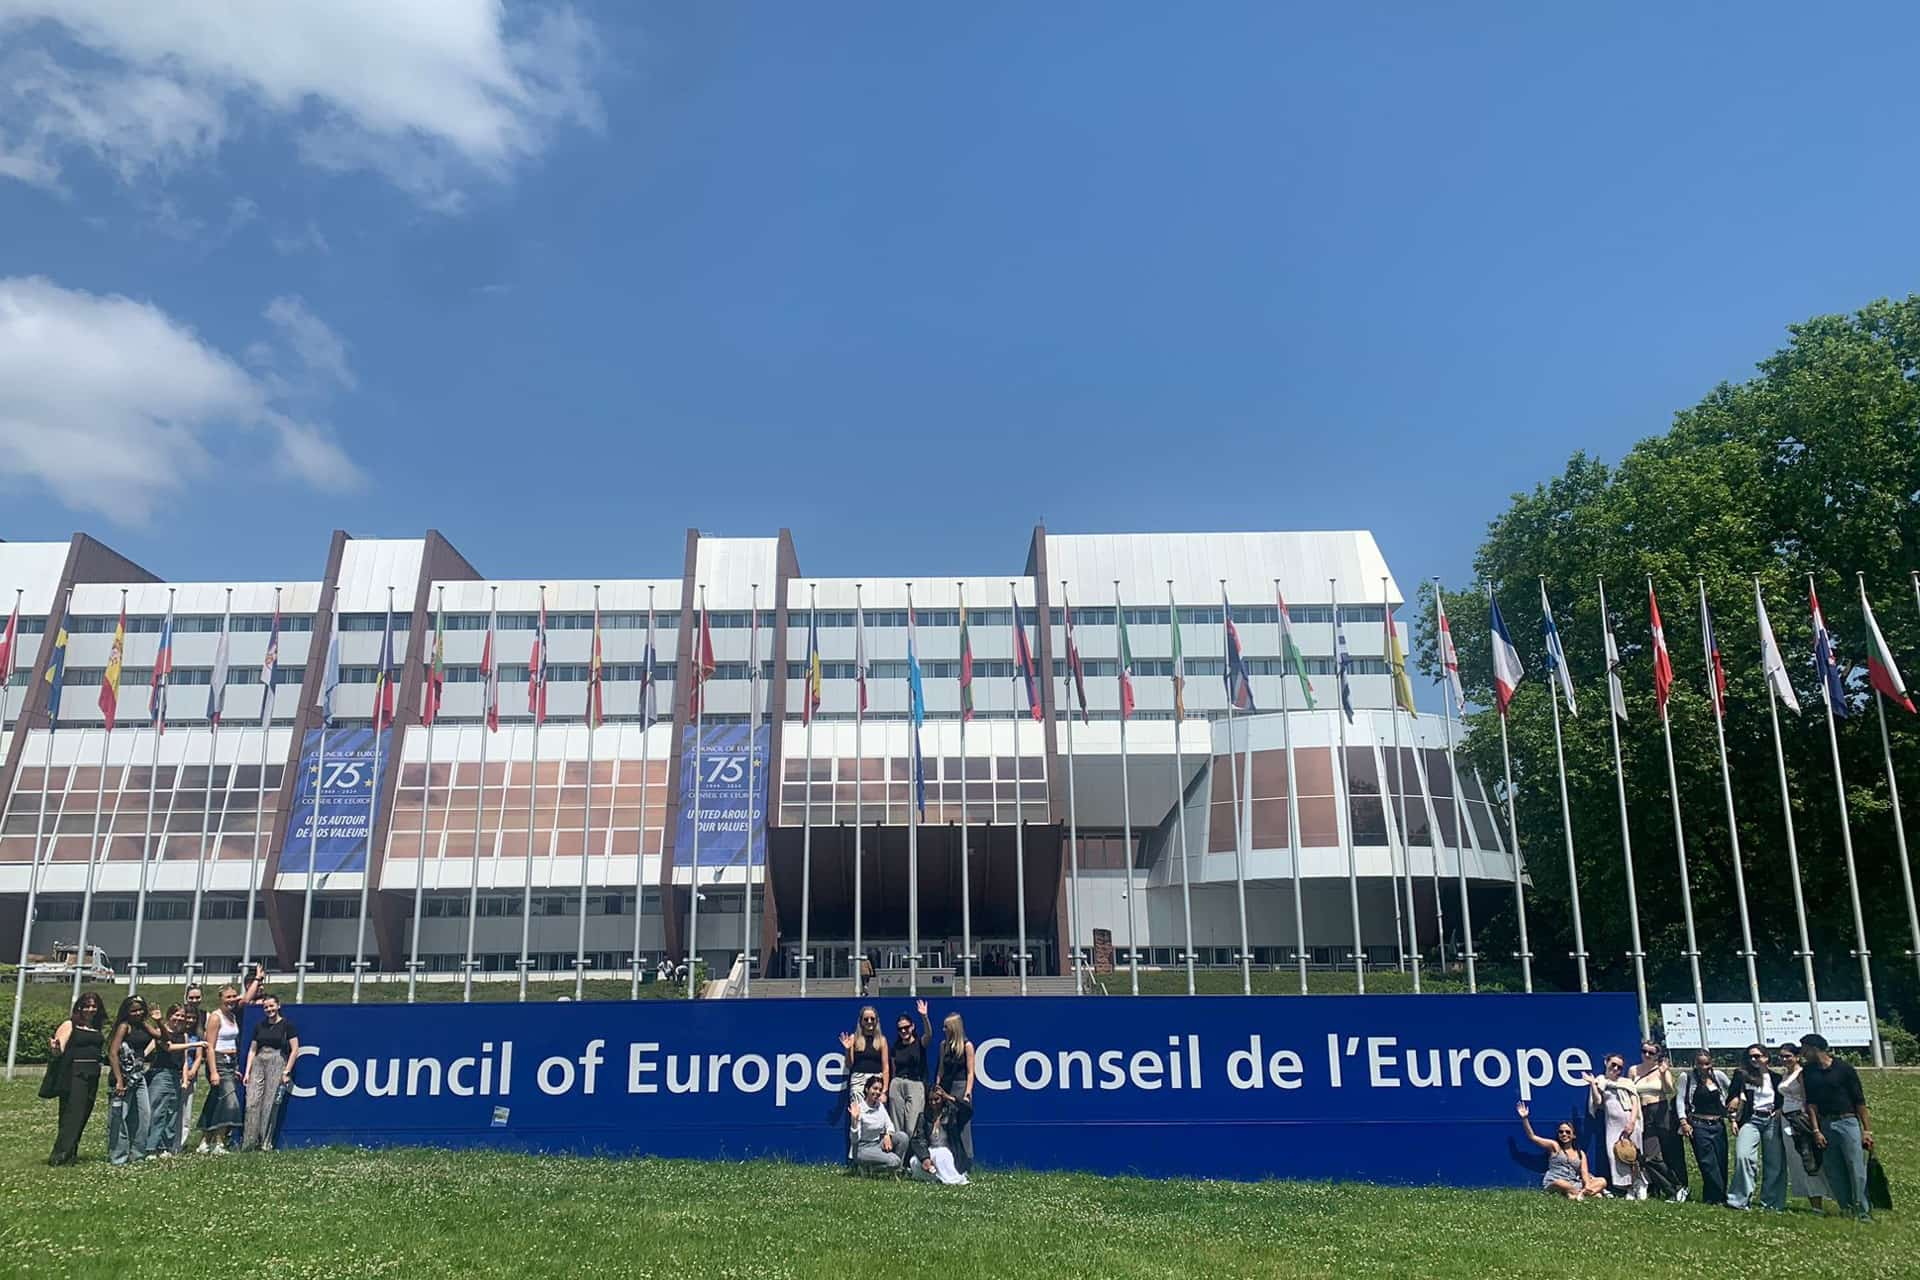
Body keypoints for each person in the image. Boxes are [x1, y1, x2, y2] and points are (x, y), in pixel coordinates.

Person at [1800, 1032, 1873, 1221]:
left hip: (1847, 1121)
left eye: (1804, 1049)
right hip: (1825, 1123)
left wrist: (1866, 1130)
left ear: (1814, 1048)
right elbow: (1811, 1103)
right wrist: (1816, 1130)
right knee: (1833, 1169)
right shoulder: (1809, 1071)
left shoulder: (1844, 1069)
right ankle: (1846, 1207)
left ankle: (1863, 1210)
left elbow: (1859, 1101)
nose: (1802, 1053)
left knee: (1855, 1166)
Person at [46, 992, 107, 1166]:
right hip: (75, 1075)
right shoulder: (70, 1024)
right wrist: (55, 1048)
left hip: (92, 1074)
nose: (90, 1009)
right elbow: (59, 1050)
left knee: (84, 1115)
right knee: (72, 1115)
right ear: (79, 1008)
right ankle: (59, 1156)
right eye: (86, 1006)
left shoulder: (96, 1028)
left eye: (94, 1006)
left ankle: (72, 1153)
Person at [1727, 1043, 1787, 1212]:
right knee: (1743, 1157)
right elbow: (1731, 1099)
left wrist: (1779, 1111)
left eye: (1757, 1056)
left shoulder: (1776, 1078)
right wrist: (1733, 1120)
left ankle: (1772, 1203)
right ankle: (1739, 1200)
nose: (1753, 1059)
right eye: (1750, 1056)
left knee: (1774, 1162)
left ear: (1766, 1058)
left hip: (1771, 1120)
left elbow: (1783, 1100)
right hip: (1750, 1120)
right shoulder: (1742, 1075)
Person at [1677, 1051, 1738, 1206]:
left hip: (1717, 1124)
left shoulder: (1718, 1076)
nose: (1703, 1067)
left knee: (1721, 1161)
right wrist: (1683, 1121)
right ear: (1695, 1064)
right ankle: (1719, 1198)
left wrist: (1734, 1109)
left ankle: (1713, 1196)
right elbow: (1680, 1099)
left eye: (1706, 1063)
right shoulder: (1688, 1077)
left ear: (1711, 1063)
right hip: (1698, 1125)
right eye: (1700, 1063)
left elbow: (1733, 1091)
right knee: (1707, 1162)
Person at [241, 994, 299, 1152]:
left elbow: (295, 1050)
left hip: (277, 1060)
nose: (269, 1009)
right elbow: (252, 1050)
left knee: (269, 1104)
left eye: (271, 1006)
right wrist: (247, 1072)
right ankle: (249, 1142)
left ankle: (265, 1143)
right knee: (252, 1102)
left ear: (278, 1006)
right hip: (259, 1060)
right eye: (266, 1007)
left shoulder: (287, 1025)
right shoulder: (260, 1026)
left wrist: (287, 1071)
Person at [105, 994, 159, 1166]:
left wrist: (158, 1021)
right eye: (133, 1010)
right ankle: (118, 1157)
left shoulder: (143, 1025)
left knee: (145, 1114)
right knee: (119, 1117)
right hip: (123, 1077)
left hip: (138, 1075)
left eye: (139, 1010)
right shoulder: (124, 1027)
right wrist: (119, 1080)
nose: (136, 1013)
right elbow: (112, 1053)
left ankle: (137, 1154)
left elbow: (160, 1036)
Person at [1776, 1041, 1829, 1212]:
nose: (1785, 1059)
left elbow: (1807, 1098)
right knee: (1798, 1162)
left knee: (1808, 1158)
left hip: (1799, 1119)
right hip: (1786, 1118)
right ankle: (1813, 1202)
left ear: (1797, 1056)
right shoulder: (1785, 1074)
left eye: (1788, 1056)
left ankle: (1819, 1203)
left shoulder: (1801, 1074)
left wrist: (1807, 1119)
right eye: (1782, 1056)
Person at [1629, 1040, 1686, 1201]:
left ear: (1657, 1055)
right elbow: (1630, 1093)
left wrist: (1663, 1072)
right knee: (1650, 1156)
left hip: (1661, 1110)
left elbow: (1669, 1090)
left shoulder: (1662, 1070)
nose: (1646, 1055)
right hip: (1643, 1112)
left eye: (1651, 1053)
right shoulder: (1634, 1070)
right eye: (1644, 1051)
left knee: (1669, 1153)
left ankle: (1677, 1188)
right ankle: (1674, 1188)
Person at [195, 984, 246, 1154]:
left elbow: (233, 1042)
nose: (231, 1000)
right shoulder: (216, 1017)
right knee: (230, 1103)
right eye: (228, 997)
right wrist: (214, 1071)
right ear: (221, 998)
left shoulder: (232, 1016)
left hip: (231, 1062)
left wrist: (236, 1066)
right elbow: (209, 1046)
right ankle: (219, 1141)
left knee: (216, 1101)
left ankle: (204, 1140)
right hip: (218, 1061)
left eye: (234, 996)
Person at [1517, 1101, 1606, 1199]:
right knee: (1562, 1183)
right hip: (1555, 1182)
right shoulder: (1554, 1147)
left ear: (1573, 1135)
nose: (1564, 1134)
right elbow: (1532, 1137)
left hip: (1574, 1183)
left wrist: (1588, 1185)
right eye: (1561, 1132)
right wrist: (1525, 1118)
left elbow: (1584, 1173)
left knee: (1602, 1181)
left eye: (1568, 1132)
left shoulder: (1580, 1153)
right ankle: (1586, 1194)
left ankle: (1576, 1194)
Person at [1588, 1053, 1646, 1199]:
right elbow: (1597, 1102)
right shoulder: (1600, 1082)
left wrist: (1632, 1122)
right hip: (1613, 1125)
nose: (1615, 1068)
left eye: (1619, 1067)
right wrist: (1592, 1085)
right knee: (1616, 1156)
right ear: (1606, 1062)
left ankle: (1639, 1184)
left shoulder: (1626, 1082)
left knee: (1633, 1155)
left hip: (1630, 1122)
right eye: (1613, 1064)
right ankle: (1628, 1187)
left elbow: (1635, 1102)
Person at [143, 1005, 196, 1159]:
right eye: (176, 1015)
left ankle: (165, 1147)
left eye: (182, 1016)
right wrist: (196, 1044)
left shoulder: (184, 1035)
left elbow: (185, 1060)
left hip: (176, 1076)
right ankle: (151, 1147)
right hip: (161, 1074)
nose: (179, 1019)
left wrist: (185, 1079)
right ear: (169, 1015)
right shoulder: (160, 1032)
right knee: (157, 1111)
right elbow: (168, 1048)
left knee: (172, 1113)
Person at [909, 1086, 972, 1185]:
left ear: (942, 1099)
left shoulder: (952, 1113)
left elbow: (968, 1111)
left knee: (941, 1155)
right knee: (914, 1161)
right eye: (930, 1100)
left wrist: (949, 1097)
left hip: (948, 1151)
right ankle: (936, 1178)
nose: (933, 1103)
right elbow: (918, 1139)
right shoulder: (924, 1116)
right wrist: (925, 1158)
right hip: (930, 1151)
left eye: (936, 1099)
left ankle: (953, 1179)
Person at [937, 1012, 977, 1168]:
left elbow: (970, 1072)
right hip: (946, 1087)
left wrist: (967, 1093)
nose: (944, 1030)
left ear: (954, 1028)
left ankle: (966, 1161)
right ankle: (949, 1161)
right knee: (946, 1124)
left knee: (962, 1126)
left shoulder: (967, 1046)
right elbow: (941, 1069)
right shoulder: (943, 1045)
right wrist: (937, 1087)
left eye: (946, 1027)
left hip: (960, 1087)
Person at [889, 999, 932, 1140]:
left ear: (912, 1026)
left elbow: (929, 1035)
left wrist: (924, 1017)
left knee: (912, 1125)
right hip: (897, 1084)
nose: (903, 1031)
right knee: (897, 1125)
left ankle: (912, 1158)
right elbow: (893, 1067)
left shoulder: (920, 1043)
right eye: (900, 1029)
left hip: (915, 1084)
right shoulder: (896, 1047)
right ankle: (898, 1159)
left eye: (906, 1027)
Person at [848, 1075, 907, 1172]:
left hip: (877, 1144)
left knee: (902, 1137)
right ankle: (871, 1169)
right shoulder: (859, 1109)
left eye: (880, 1090)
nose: (878, 1092)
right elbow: (855, 1140)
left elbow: (890, 1125)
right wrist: (854, 1121)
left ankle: (893, 1169)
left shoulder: (880, 1106)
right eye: (874, 1088)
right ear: (867, 1089)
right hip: (861, 1149)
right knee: (895, 1161)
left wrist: (887, 1135)